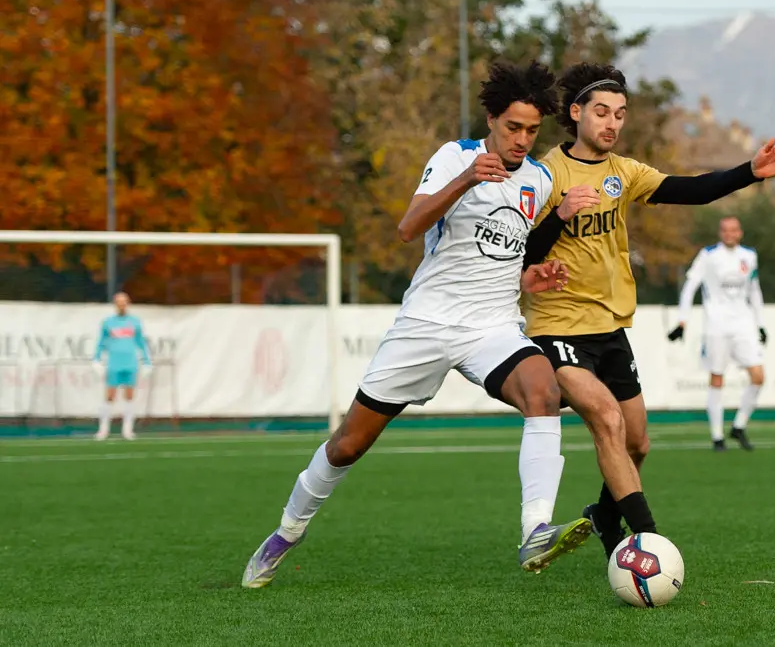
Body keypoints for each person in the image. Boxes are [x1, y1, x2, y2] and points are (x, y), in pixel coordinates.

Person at [242, 61, 591, 589]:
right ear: (492, 119)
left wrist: (531, 275)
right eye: (513, 127)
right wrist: (466, 178)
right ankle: (286, 532)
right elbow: (409, 228)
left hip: (491, 327)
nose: (522, 139)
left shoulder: (539, 181)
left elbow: (499, 253)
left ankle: (535, 530)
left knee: (543, 392)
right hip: (427, 323)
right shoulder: (456, 157)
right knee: (348, 447)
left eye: (531, 130)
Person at [521, 62, 775, 558]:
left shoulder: (623, 172)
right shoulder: (544, 175)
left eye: (620, 114)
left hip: (610, 328)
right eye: (602, 112)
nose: (612, 123)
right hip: (557, 324)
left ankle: (605, 516)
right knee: (606, 418)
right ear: (576, 113)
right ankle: (647, 541)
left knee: (638, 444)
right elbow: (522, 254)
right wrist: (558, 217)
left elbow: (688, 189)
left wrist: (750, 172)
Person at [668, 216, 767, 452]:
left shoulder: (749, 256)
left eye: (733, 230)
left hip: (743, 324)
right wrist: (683, 321)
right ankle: (717, 436)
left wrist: (760, 324)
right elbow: (690, 285)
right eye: (725, 230)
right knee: (717, 378)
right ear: (720, 233)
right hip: (717, 326)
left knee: (758, 376)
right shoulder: (708, 255)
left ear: (740, 233)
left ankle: (739, 426)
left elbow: (754, 290)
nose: (729, 234)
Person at [92, 291, 152, 441]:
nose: (121, 305)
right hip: (114, 363)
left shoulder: (135, 322)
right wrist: (96, 359)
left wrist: (147, 361)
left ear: (128, 304)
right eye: (119, 302)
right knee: (110, 395)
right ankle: (103, 429)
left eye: (124, 302)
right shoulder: (108, 323)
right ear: (115, 304)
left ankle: (127, 429)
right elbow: (101, 342)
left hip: (130, 363)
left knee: (130, 396)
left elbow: (141, 343)